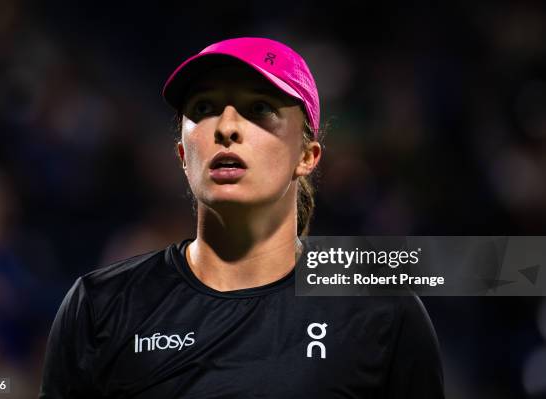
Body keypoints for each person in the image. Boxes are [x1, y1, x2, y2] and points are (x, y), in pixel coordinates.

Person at [39, 37, 445, 398]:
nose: (227, 127)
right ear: (183, 155)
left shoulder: (382, 311)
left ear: (307, 156)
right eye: (204, 108)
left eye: (258, 108)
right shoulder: (99, 306)